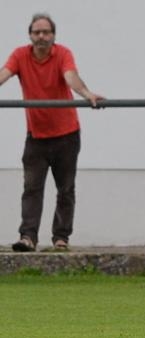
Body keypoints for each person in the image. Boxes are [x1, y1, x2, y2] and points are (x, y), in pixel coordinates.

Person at [0, 13, 104, 252]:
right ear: (30, 35)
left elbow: (71, 77)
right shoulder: (20, 55)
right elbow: (3, 74)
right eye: (37, 32)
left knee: (65, 189)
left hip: (66, 135)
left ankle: (61, 238)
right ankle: (28, 237)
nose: (41, 37)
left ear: (53, 36)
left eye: (46, 32)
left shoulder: (62, 54)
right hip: (36, 136)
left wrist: (87, 95)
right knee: (32, 188)